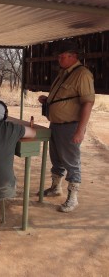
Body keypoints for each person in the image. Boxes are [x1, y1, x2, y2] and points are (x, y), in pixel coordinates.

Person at [38, 41, 95, 213]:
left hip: (70, 126)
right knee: (56, 159)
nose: (59, 59)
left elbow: (88, 103)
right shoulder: (64, 73)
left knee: (71, 162)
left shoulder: (82, 74)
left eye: (62, 56)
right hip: (56, 124)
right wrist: (48, 101)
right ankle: (56, 187)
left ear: (74, 56)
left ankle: (73, 198)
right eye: (58, 56)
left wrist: (80, 130)